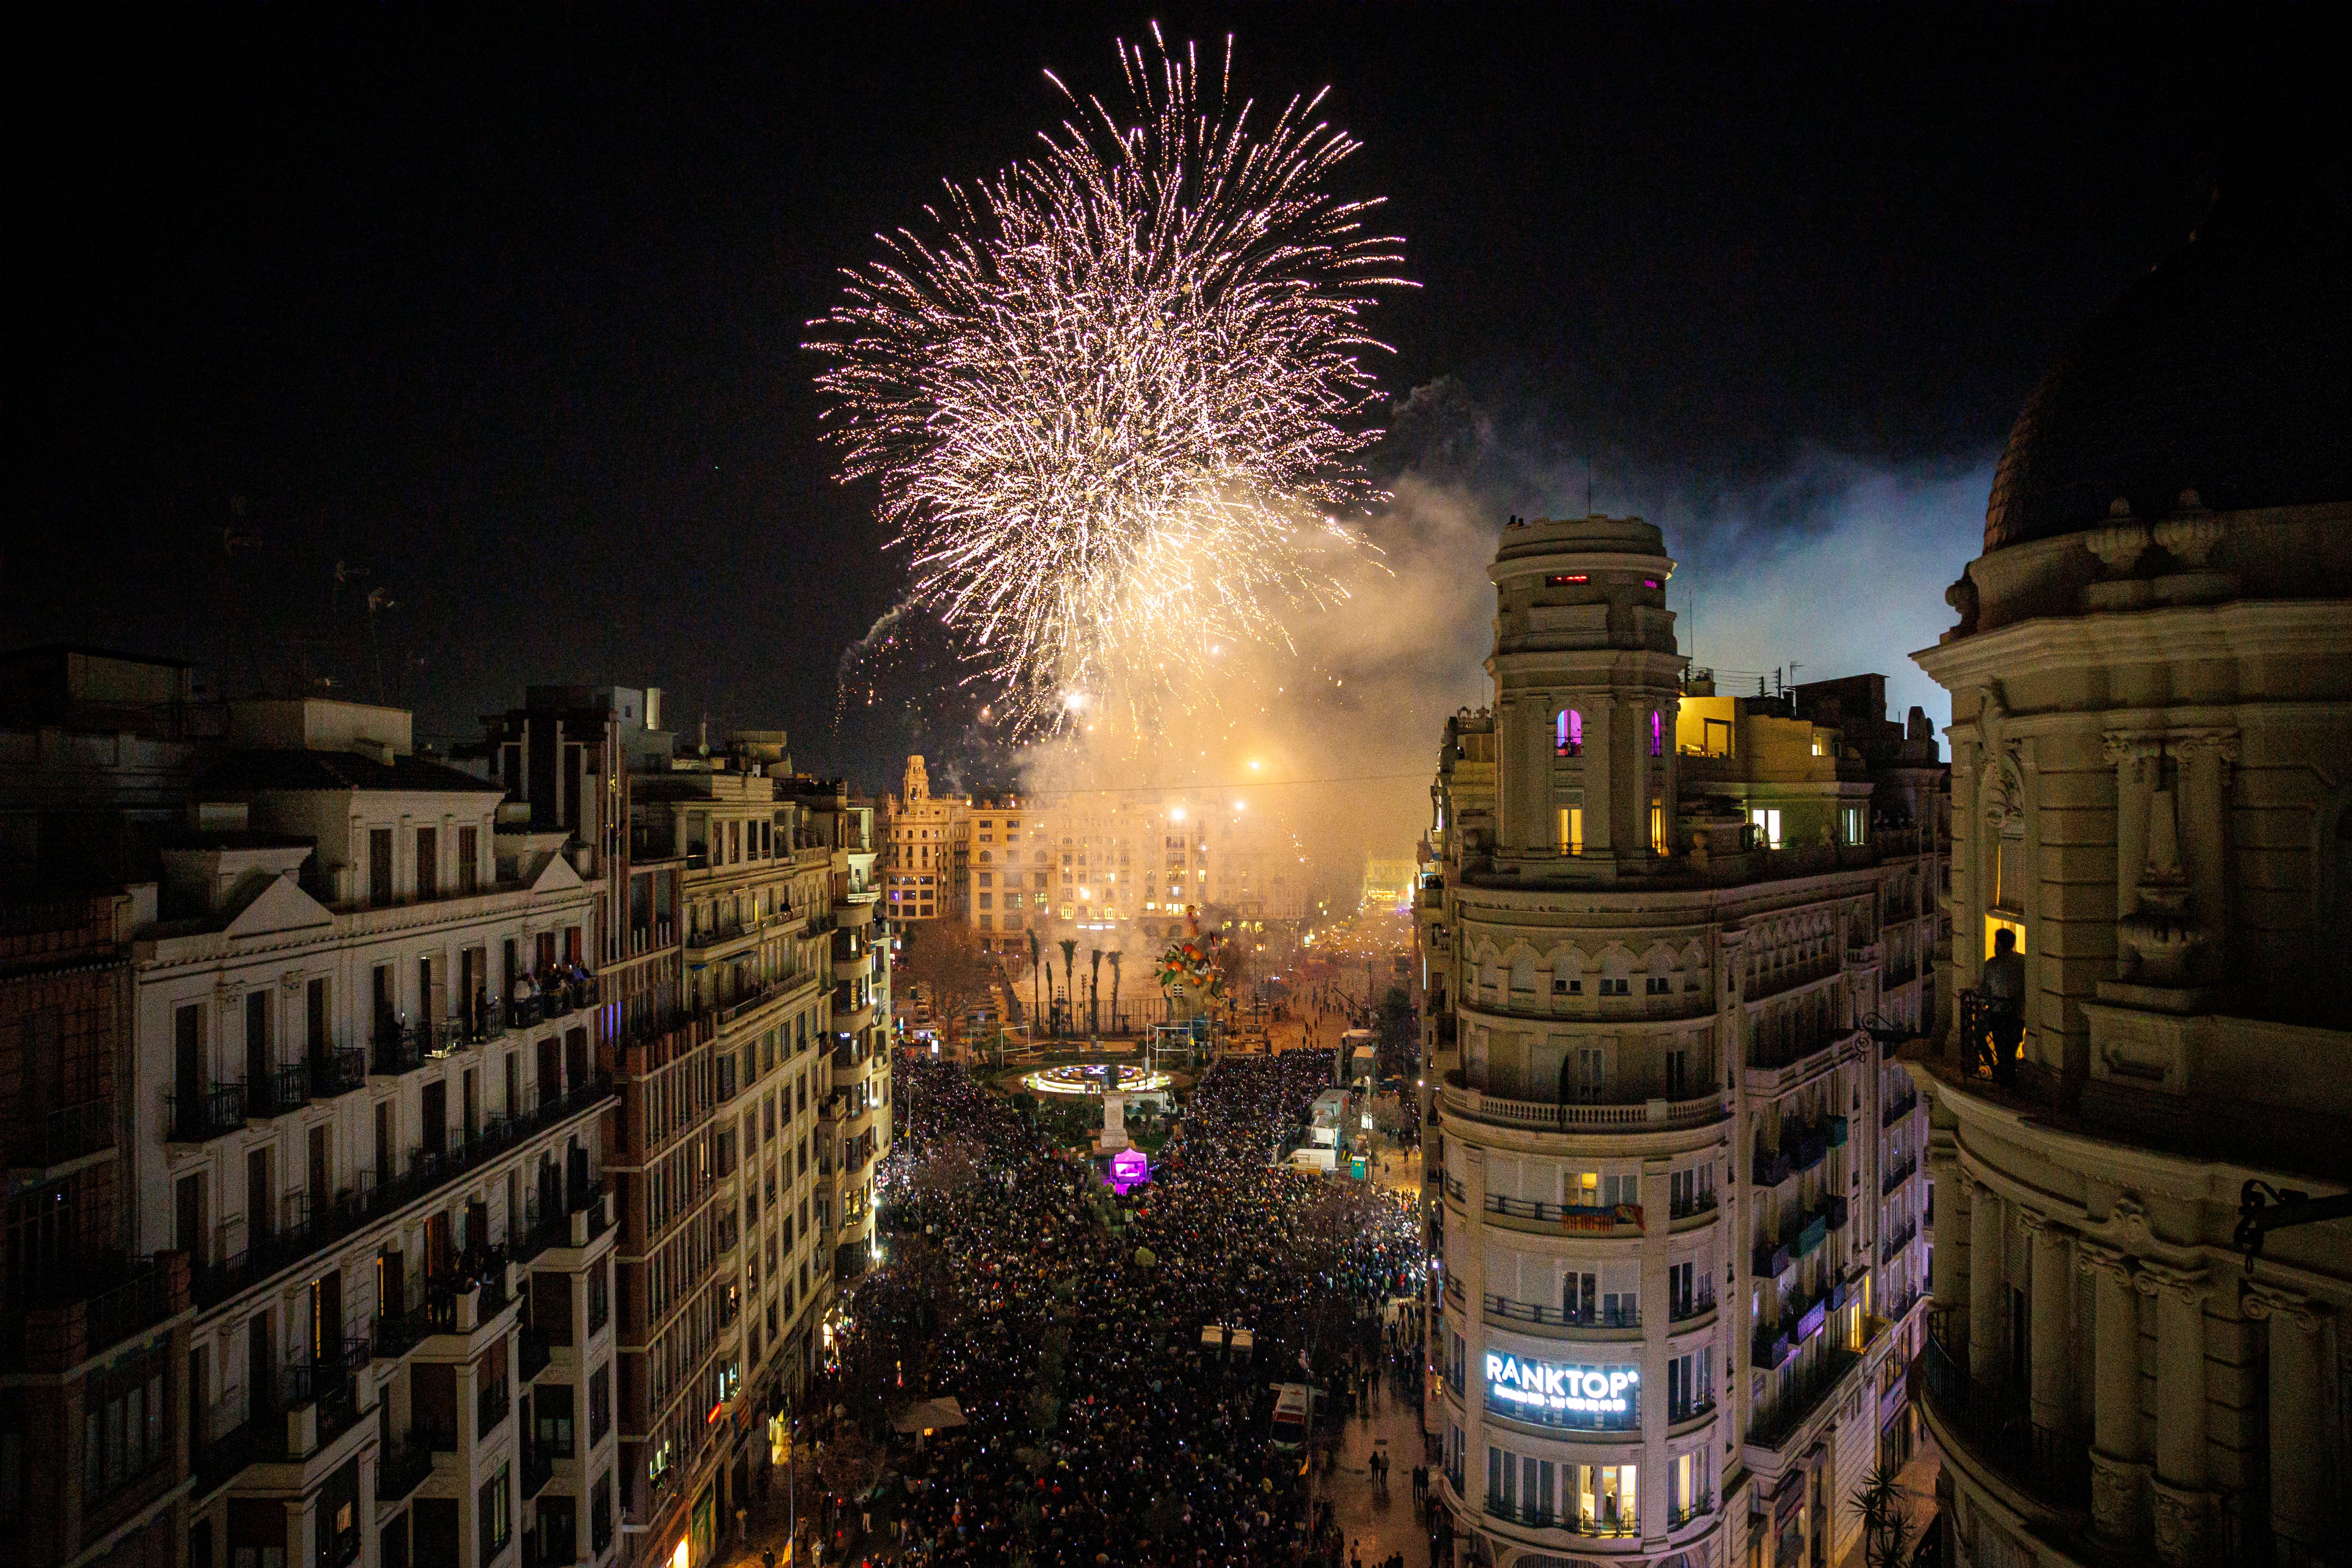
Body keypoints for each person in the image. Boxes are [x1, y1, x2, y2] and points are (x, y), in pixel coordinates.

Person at [1980, 927, 2026, 1082]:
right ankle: (2009, 1076)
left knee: (1982, 1036)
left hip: (1999, 1016)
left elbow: (1985, 993)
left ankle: (1996, 1070)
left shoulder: (1992, 965)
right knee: (2011, 1049)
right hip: (2018, 1015)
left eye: (1995, 943)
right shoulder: (2023, 961)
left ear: (1999, 944)